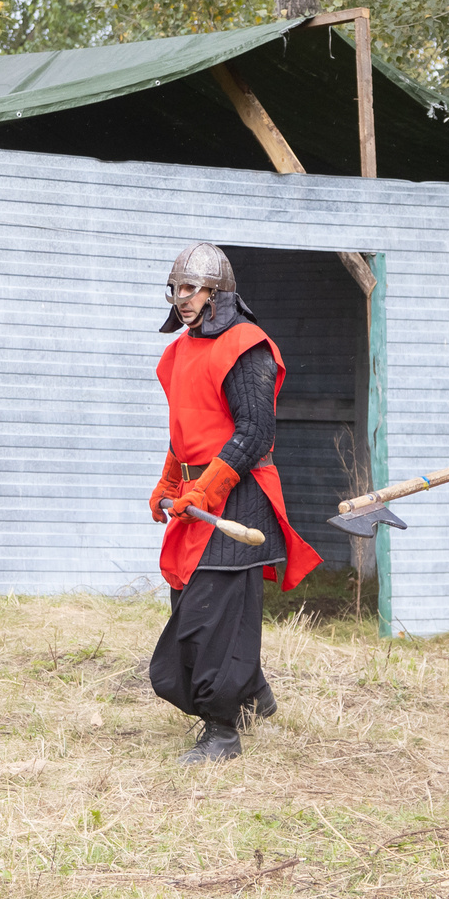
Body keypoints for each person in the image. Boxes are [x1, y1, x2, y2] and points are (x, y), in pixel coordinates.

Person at [149, 243, 321, 763]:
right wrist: (169, 482)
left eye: (192, 289)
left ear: (217, 294)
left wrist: (207, 489)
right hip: (200, 496)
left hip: (238, 496)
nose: (182, 299)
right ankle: (252, 694)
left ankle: (222, 730)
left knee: (209, 616)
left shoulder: (248, 346)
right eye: (176, 289)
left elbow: (254, 434)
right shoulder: (179, 351)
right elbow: (186, 432)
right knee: (192, 606)